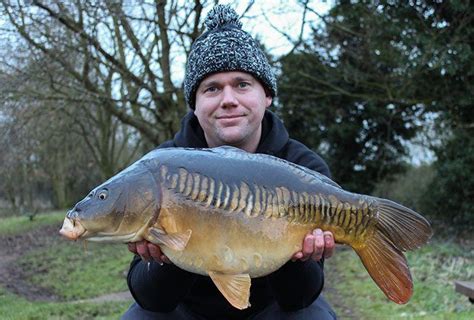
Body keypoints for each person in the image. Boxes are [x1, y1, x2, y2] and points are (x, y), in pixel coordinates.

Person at [122, 5, 337, 320]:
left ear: (267, 95)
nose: (228, 99)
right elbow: (149, 298)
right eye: (211, 88)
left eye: (242, 84)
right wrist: (166, 252)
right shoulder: (158, 171)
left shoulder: (302, 168)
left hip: (272, 309)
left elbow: (299, 298)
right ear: (194, 105)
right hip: (188, 311)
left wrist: (299, 257)